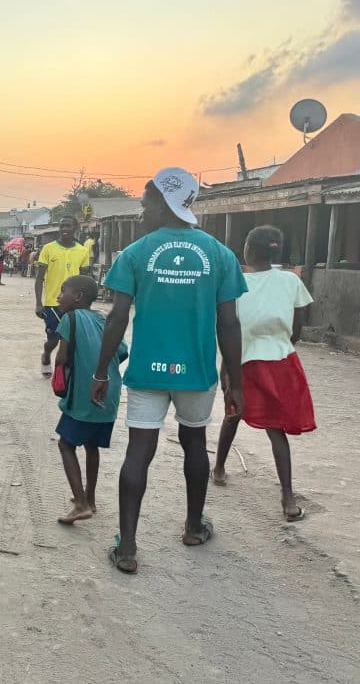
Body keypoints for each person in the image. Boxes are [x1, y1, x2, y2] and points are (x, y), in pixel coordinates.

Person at [91, 167, 247, 574]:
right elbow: (228, 323)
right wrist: (235, 381)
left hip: (148, 370)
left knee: (139, 451)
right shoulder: (219, 255)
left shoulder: (136, 254)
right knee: (195, 443)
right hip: (196, 371)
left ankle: (127, 547)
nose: (142, 214)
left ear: (164, 203)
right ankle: (194, 527)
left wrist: (101, 372)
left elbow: (117, 318)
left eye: (145, 205)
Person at [211, 226, 315, 521]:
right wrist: (278, 345)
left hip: (242, 360)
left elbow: (229, 330)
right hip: (282, 361)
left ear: (249, 250)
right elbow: (298, 328)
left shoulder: (235, 283)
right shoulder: (290, 281)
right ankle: (288, 499)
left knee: (232, 413)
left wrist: (226, 371)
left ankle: (218, 469)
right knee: (276, 429)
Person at [52, 275, 126, 524]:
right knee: (91, 445)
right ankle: (90, 499)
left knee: (66, 444)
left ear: (78, 297)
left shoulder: (69, 319)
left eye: (63, 291)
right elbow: (122, 352)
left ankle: (81, 503)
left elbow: (62, 358)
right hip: (110, 391)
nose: (59, 296)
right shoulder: (104, 319)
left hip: (85, 392)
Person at [35, 216, 90, 376]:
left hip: (76, 304)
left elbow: (85, 279)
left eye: (68, 226)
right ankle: (46, 356)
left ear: (75, 229)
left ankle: (65, 369)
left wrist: (86, 303)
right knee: (53, 339)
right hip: (53, 303)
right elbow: (39, 278)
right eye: (62, 226)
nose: (64, 229)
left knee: (72, 339)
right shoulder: (48, 249)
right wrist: (39, 303)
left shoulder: (82, 251)